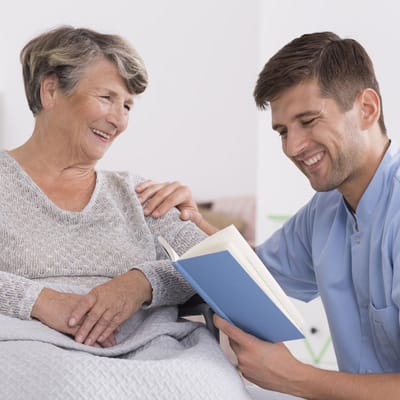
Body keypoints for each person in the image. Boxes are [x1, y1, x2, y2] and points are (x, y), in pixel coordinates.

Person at [136, 32, 400, 399]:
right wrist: (194, 219)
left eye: (308, 121)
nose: (292, 147)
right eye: (283, 131)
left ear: (367, 109)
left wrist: (297, 378)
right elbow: (254, 273)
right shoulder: (324, 212)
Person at [0, 26, 252, 400]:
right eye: (107, 98)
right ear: (50, 90)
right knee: (68, 388)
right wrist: (38, 300)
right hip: (29, 342)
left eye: (128, 106)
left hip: (152, 350)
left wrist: (142, 283)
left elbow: (221, 271)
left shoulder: (139, 194)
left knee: (211, 388)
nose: (119, 120)